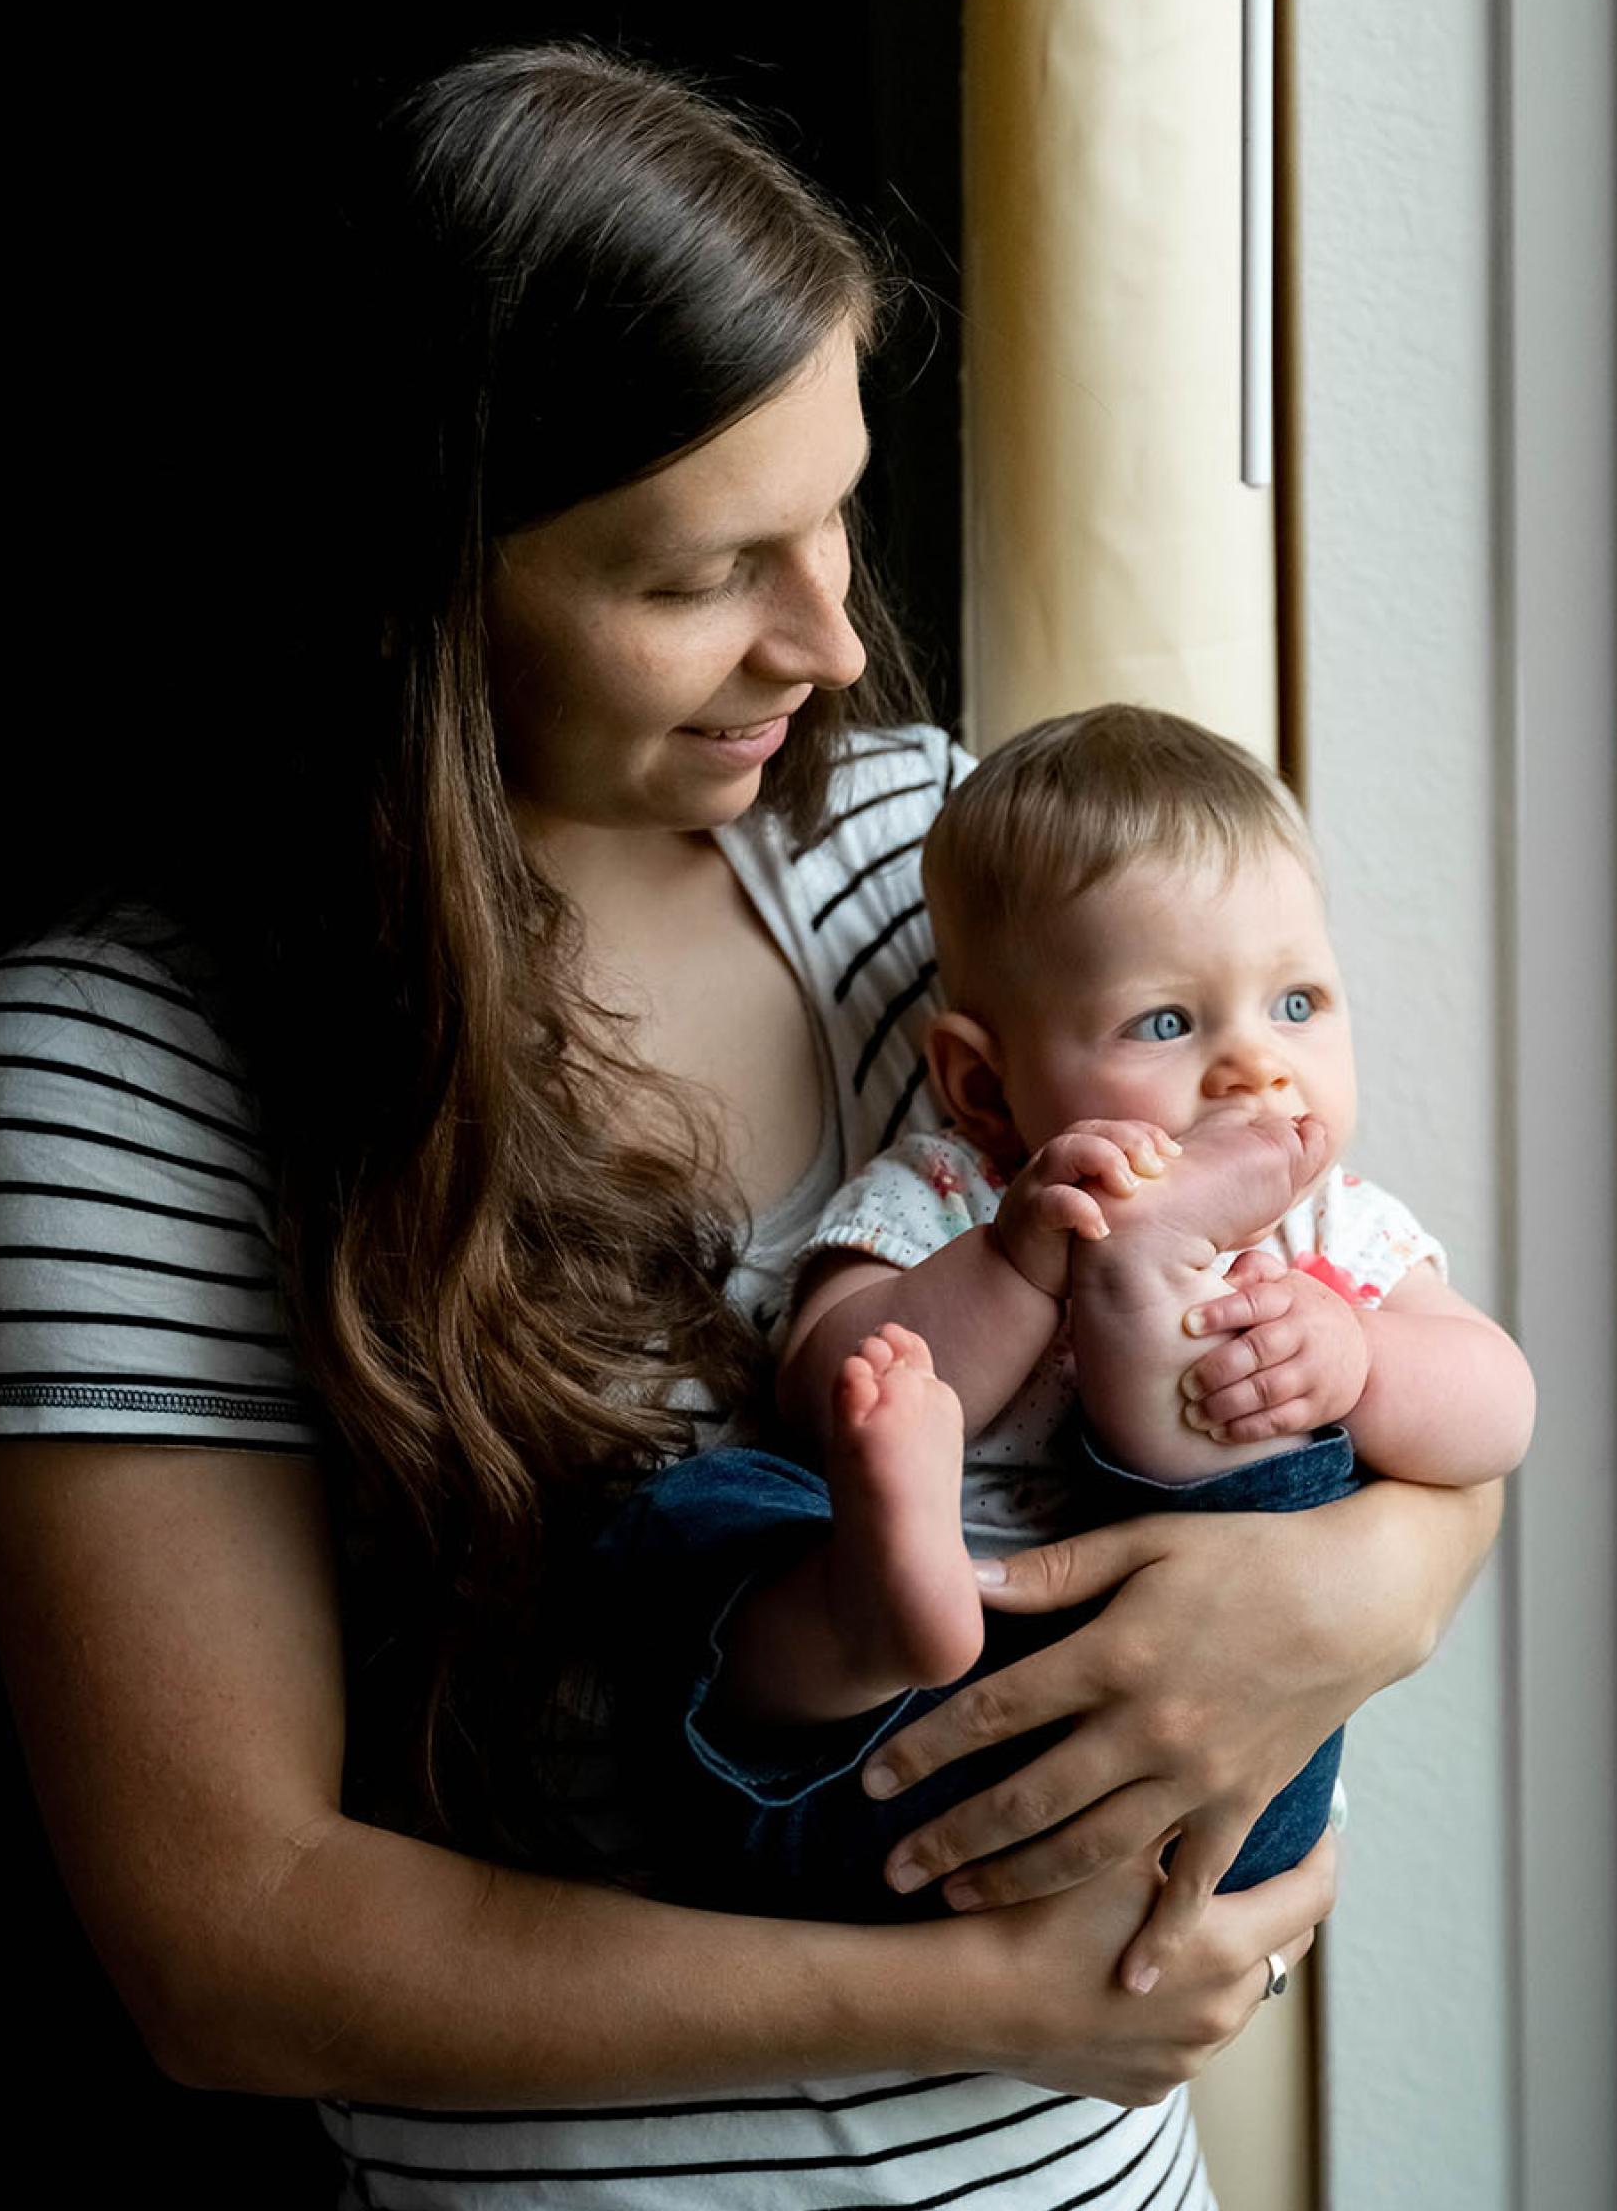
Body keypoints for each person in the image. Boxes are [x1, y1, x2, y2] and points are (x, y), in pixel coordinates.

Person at [0, 43, 1504, 2211]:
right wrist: (990, 2003)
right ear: (417, 584)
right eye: (701, 573)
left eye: (836, 517)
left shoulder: (928, 860)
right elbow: (237, 1944)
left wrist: (1360, 1586)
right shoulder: (128, 1065)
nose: (827, 638)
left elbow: (1362, 1318)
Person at [595, 707, 1535, 1932]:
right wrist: (1016, 1265)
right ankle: (878, 1606)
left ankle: (1154, 1294)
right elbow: (833, 1379)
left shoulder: (1329, 1232)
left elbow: (1496, 1409)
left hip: (1205, 1760)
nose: (1257, 1067)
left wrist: (1358, 1360)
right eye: (1166, 1023)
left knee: (1285, 1464)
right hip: (894, 1745)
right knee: (705, 1522)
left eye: (1297, 1004)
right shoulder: (960, 1196)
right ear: (982, 1086)